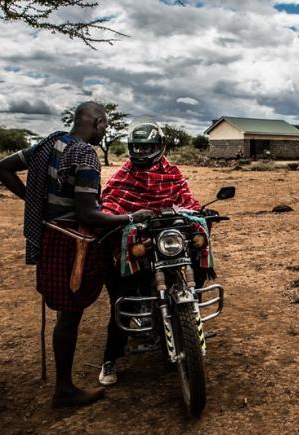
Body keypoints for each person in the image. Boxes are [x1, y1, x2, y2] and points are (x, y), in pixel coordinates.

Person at [0, 102, 153, 408]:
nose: (105, 133)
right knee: (79, 310)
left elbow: (1, 167)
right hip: (74, 241)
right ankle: (64, 388)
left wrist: (35, 201)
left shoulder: (50, 143)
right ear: (98, 122)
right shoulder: (85, 154)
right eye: (105, 127)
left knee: (66, 315)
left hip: (52, 235)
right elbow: (88, 213)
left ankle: (69, 382)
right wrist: (132, 217)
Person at [97, 120, 202, 386]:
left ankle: (186, 321)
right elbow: (109, 201)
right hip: (138, 242)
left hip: (166, 236)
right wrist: (120, 217)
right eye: (137, 148)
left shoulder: (172, 172)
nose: (142, 153)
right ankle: (110, 358)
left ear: (160, 147)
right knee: (124, 296)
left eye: (148, 148)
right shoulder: (124, 174)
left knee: (198, 257)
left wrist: (195, 212)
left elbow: (186, 198)